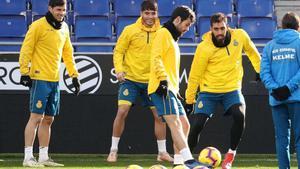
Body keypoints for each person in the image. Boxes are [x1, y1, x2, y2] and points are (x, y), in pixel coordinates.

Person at [185, 13, 261, 169]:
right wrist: (189, 99)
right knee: (197, 124)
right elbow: (194, 75)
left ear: (228, 26)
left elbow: (253, 52)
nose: (219, 32)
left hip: (232, 89)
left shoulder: (240, 36)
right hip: (208, 91)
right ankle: (186, 160)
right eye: (216, 29)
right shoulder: (204, 47)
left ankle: (230, 156)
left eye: (222, 28)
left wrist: (259, 70)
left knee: (239, 115)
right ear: (211, 29)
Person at [107, 0, 173, 163]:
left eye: (153, 13)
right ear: (141, 13)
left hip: (152, 81)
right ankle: (113, 150)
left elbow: (167, 54)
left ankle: (162, 152)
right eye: (147, 13)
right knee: (122, 111)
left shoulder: (163, 32)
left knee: (159, 116)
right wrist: (119, 69)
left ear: (157, 13)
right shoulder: (130, 30)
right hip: (131, 79)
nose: (150, 16)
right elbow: (119, 51)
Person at [19, 0, 80, 167]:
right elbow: (27, 48)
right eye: (58, 9)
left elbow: (68, 52)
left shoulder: (65, 28)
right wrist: (24, 71)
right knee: (36, 117)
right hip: (39, 78)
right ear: (50, 8)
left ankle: (44, 157)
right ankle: (28, 157)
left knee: (49, 119)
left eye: (64, 10)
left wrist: (74, 75)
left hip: (54, 80)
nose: (61, 13)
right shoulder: (38, 26)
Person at [148, 6, 209, 168]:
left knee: (184, 124)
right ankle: (189, 161)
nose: (187, 29)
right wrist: (162, 80)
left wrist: (175, 89)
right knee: (175, 122)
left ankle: (178, 163)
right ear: (177, 20)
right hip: (161, 87)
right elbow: (155, 58)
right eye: (186, 24)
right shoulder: (162, 34)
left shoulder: (172, 38)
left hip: (171, 90)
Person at [260, 12, 300, 169]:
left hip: (276, 99)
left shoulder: (270, 46)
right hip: (296, 98)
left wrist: (275, 88)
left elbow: (264, 72)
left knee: (282, 138)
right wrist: (289, 88)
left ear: (281, 26)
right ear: (298, 27)